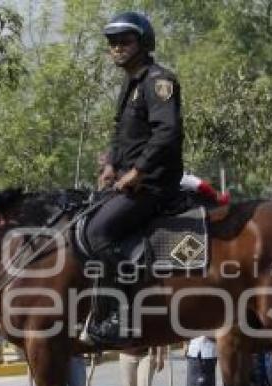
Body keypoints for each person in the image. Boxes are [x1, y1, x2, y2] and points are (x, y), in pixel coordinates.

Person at [83, 11, 184, 346]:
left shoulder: (158, 81)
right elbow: (120, 133)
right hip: (128, 181)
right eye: (112, 43)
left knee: (99, 231)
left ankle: (123, 315)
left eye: (125, 41)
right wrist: (112, 163)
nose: (117, 48)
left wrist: (137, 172)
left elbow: (167, 134)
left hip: (153, 184)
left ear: (143, 42)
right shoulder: (132, 83)